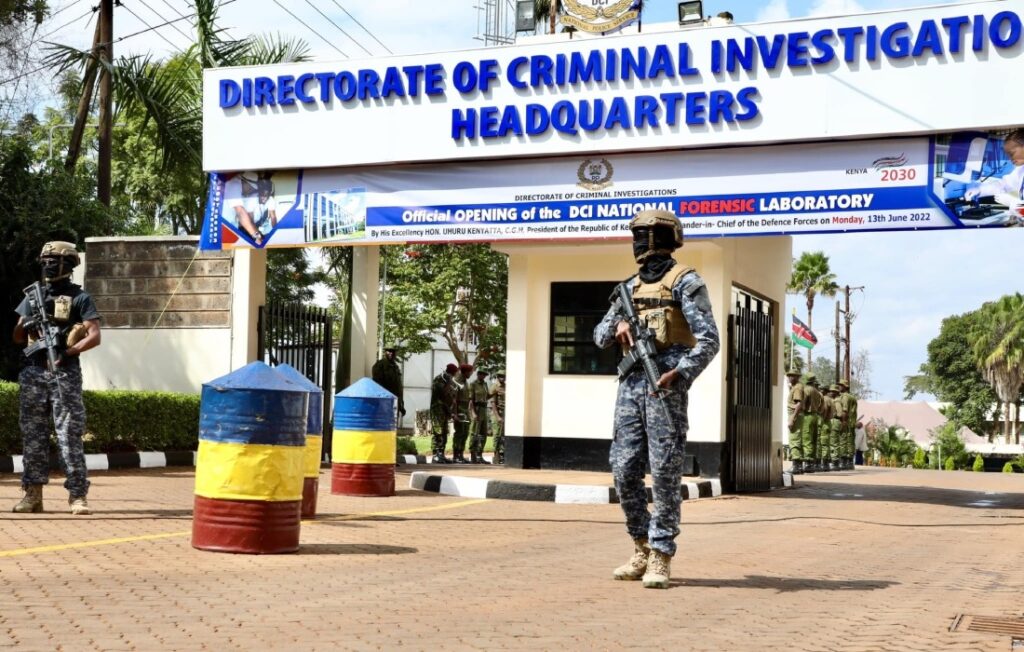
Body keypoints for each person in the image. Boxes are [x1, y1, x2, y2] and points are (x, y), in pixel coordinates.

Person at [594, 209, 720, 590]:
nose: (638, 244)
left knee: (664, 472)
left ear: (660, 238)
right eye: (637, 236)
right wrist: (619, 324)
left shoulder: (686, 282)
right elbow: (599, 336)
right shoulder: (628, 288)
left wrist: (680, 372)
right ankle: (641, 545)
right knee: (624, 468)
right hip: (631, 388)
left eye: (643, 236)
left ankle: (662, 553)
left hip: (665, 386)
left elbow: (709, 340)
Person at [12, 242, 101, 515]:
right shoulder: (33, 295)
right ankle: (32, 496)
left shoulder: (80, 297)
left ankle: (77, 496)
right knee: (33, 436)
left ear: (68, 264)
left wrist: (68, 351)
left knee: (69, 435)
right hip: (34, 372)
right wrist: (25, 324)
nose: (48, 264)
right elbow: (17, 337)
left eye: (54, 260)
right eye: (45, 260)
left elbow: (94, 336)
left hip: (65, 373)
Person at [964, 130, 1024, 223]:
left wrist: (1012, 203)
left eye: (1012, 153)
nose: (1010, 158)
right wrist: (979, 190)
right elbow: (1003, 184)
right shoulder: (1021, 170)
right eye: (1008, 155)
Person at [225, 172, 278, 245]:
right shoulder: (234, 185)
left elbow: (273, 217)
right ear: (244, 181)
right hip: (228, 225)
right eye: (250, 188)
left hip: (238, 224)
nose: (251, 191)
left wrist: (274, 233)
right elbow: (241, 213)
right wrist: (257, 237)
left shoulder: (243, 187)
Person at [429, 363, 459, 464]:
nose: (454, 376)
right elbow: (443, 393)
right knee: (438, 432)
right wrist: (449, 383)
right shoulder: (439, 379)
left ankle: (441, 454)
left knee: (444, 432)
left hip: (445, 409)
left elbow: (451, 396)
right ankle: (435, 455)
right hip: (437, 409)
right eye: (454, 373)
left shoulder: (449, 381)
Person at [371, 345, 406, 424]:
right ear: (385, 353)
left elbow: (398, 387)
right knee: (384, 424)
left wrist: (401, 404)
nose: (391, 353)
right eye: (389, 351)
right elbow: (377, 384)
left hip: (395, 401)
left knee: (393, 424)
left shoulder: (395, 367)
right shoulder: (380, 365)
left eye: (393, 352)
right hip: (385, 401)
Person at [801, 373, 824, 473]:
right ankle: (812, 463)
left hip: (807, 416)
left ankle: (808, 462)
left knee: (807, 439)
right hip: (815, 415)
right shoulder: (817, 392)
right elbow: (821, 407)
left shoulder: (806, 390)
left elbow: (802, 403)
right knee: (814, 440)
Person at [451, 363, 474, 464]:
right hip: (459, 409)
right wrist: (455, 414)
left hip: (465, 410)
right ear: (464, 372)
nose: (471, 374)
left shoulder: (465, 382)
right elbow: (454, 400)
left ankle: (461, 454)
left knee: (465, 433)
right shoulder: (457, 382)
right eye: (469, 372)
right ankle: (456, 455)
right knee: (459, 433)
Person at [786, 368, 807, 474]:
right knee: (798, 440)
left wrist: (792, 419)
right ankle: (799, 466)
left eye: (793, 375)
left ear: (798, 377)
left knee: (794, 440)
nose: (790, 377)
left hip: (795, 415)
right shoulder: (796, 387)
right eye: (789, 375)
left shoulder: (798, 388)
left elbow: (798, 404)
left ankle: (796, 466)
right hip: (797, 415)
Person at [468, 369, 491, 464]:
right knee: (474, 433)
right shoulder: (473, 384)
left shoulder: (485, 384)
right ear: (477, 374)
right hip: (476, 409)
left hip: (484, 409)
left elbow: (487, 396)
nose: (483, 376)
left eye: (484, 374)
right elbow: (470, 400)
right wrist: (473, 412)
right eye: (481, 374)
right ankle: (473, 455)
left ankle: (479, 455)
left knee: (483, 434)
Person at [839, 379, 859, 470]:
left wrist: (843, 421)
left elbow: (845, 410)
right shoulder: (852, 397)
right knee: (850, 441)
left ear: (845, 387)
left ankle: (844, 461)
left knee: (843, 440)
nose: (839, 387)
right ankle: (850, 461)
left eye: (841, 385)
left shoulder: (845, 397)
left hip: (846, 421)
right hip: (852, 422)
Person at [489, 370, 506, 464]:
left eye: (503, 376)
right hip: (497, 413)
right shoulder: (494, 387)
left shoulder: (506, 386)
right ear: (497, 377)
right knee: (497, 435)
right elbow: (493, 403)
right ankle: (496, 455)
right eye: (500, 376)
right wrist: (498, 416)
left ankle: (502, 454)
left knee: (503, 435)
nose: (502, 378)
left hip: (505, 412)